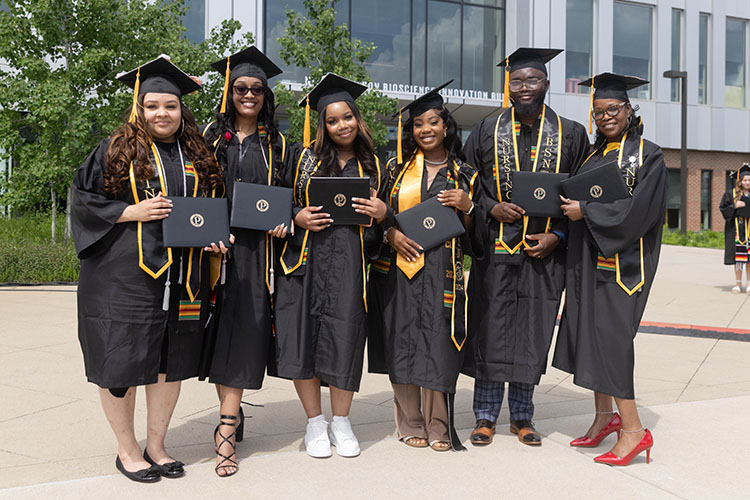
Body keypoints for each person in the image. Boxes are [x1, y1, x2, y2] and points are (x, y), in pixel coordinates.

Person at [71, 56, 225, 482]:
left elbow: (210, 211)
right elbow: (82, 202)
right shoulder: (115, 148)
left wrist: (214, 238)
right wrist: (130, 212)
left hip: (183, 275)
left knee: (168, 361)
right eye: (152, 105)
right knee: (121, 362)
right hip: (122, 278)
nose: (162, 113)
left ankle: (156, 446)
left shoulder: (197, 154)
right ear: (139, 107)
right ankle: (127, 450)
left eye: (170, 106)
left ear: (182, 109)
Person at [461, 48, 589, 447]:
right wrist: (490, 207)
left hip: (543, 254)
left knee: (531, 333)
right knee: (490, 329)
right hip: (496, 251)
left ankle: (522, 416)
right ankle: (484, 416)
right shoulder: (485, 129)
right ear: (509, 85)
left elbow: (582, 196)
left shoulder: (571, 133)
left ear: (546, 84)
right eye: (517, 81)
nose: (524, 88)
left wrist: (559, 237)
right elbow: (466, 185)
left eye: (532, 80)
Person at [555, 73, 667, 466]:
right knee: (591, 338)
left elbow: (641, 212)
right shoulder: (592, 153)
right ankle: (605, 418)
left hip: (624, 265)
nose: (605, 116)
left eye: (613, 109)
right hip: (587, 262)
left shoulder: (648, 155)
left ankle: (634, 430)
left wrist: (586, 210)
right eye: (598, 111)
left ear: (629, 109)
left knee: (613, 342)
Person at [274, 73, 388, 458]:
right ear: (322, 124)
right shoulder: (301, 157)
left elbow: (384, 224)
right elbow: (278, 203)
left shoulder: (375, 163)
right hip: (305, 262)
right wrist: (296, 217)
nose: (342, 125)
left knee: (345, 339)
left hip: (350, 266)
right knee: (303, 339)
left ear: (358, 118)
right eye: (333, 120)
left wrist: (382, 212)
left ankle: (341, 421)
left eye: (347, 117)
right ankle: (314, 423)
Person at [370, 82, 485, 451]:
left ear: (446, 126)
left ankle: (439, 424)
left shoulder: (466, 173)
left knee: (439, 344)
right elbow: (381, 217)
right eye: (418, 124)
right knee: (401, 342)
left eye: (433, 122)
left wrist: (468, 207)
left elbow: (474, 237)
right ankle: (410, 422)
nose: (426, 130)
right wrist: (390, 235)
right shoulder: (396, 168)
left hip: (443, 270)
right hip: (401, 268)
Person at [201, 46, 288, 477]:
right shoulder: (211, 138)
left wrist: (286, 220)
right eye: (241, 88)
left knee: (244, 335)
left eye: (256, 88)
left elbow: (293, 195)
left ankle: (226, 427)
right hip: (217, 254)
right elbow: (195, 192)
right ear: (229, 91)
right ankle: (230, 419)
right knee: (222, 338)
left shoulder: (281, 143)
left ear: (265, 94)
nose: (249, 94)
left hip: (259, 257)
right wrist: (204, 233)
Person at [719, 164, 750, 294]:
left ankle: (749, 284)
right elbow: (723, 209)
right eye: (745, 180)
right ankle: (738, 284)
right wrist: (734, 206)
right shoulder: (731, 194)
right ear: (740, 181)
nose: (747, 182)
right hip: (737, 231)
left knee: (749, 259)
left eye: (749, 180)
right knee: (739, 258)